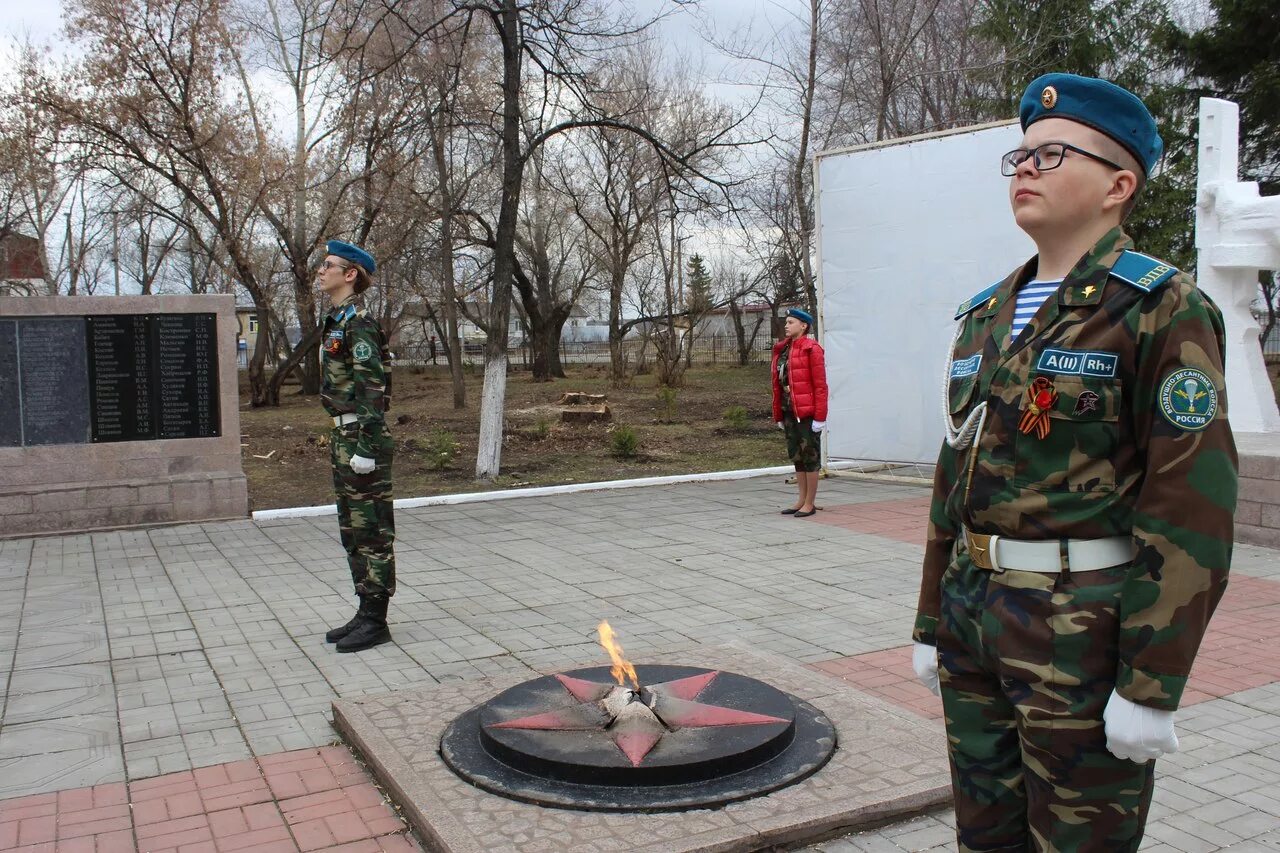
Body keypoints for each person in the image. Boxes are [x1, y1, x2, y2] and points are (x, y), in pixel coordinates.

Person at [911, 73, 1238, 851]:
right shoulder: (982, 316)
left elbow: (1191, 501)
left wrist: (1151, 680)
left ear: (1118, 184)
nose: (1025, 167)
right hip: (974, 614)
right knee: (985, 838)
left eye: (1051, 153)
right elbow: (952, 477)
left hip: (1080, 631)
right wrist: (932, 620)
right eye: (1019, 155)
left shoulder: (1161, 308)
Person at [317, 239, 397, 653]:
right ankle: (365, 608)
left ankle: (376, 619)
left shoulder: (359, 323)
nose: (320, 270)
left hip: (361, 436)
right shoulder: (336, 320)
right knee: (352, 528)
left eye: (328, 265)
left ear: (350, 274)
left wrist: (367, 445)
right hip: (342, 434)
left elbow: (372, 388)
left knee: (372, 531)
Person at [770, 307, 828, 518]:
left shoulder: (811, 349)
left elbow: (820, 386)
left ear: (803, 326)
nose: (786, 325)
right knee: (797, 456)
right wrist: (779, 413)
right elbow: (779, 382)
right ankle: (801, 499)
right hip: (789, 410)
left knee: (810, 456)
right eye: (786, 322)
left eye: (791, 322)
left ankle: (810, 503)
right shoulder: (783, 349)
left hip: (806, 412)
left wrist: (819, 417)